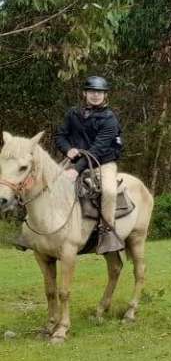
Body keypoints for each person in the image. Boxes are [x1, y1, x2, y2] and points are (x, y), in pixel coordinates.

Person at [54, 76, 124, 253]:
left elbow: (97, 150)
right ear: (84, 93)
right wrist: (67, 149)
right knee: (47, 182)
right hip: (76, 160)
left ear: (105, 95)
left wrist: (76, 170)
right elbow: (60, 135)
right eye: (92, 91)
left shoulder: (110, 119)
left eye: (99, 92)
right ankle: (33, 228)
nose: (95, 95)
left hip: (103, 163)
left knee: (108, 191)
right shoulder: (73, 113)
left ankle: (107, 233)